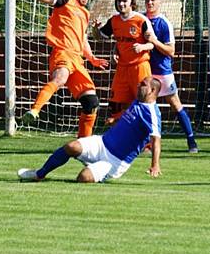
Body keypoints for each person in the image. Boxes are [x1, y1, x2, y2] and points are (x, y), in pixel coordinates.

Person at [18, 77, 162, 183]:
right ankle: (39, 174)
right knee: (71, 146)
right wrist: (115, 120)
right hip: (102, 143)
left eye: (142, 85)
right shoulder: (138, 101)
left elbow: (156, 140)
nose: (138, 86)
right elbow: (132, 118)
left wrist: (155, 165)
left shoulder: (152, 113)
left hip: (115, 161)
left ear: (153, 90)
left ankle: (94, 169)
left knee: (83, 178)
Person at [21, 0, 109, 138]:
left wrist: (92, 58)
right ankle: (35, 110)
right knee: (60, 79)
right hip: (63, 53)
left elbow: (83, 38)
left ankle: (83, 144)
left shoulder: (85, 13)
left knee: (91, 102)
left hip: (78, 59)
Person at [143, 0, 199, 153]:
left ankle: (191, 141)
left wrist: (154, 41)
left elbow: (171, 51)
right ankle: (147, 143)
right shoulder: (140, 19)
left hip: (162, 71)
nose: (150, 2)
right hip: (145, 70)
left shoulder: (164, 23)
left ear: (159, 2)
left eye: (153, 0)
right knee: (146, 106)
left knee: (175, 104)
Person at [94, 0, 154, 124]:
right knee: (116, 106)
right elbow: (100, 38)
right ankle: (119, 140)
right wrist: (95, 30)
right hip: (122, 68)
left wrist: (142, 47)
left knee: (144, 103)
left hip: (140, 67)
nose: (121, 4)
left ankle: (147, 142)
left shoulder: (141, 20)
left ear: (132, 3)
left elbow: (152, 44)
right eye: (119, 1)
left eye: (124, 1)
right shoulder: (114, 21)